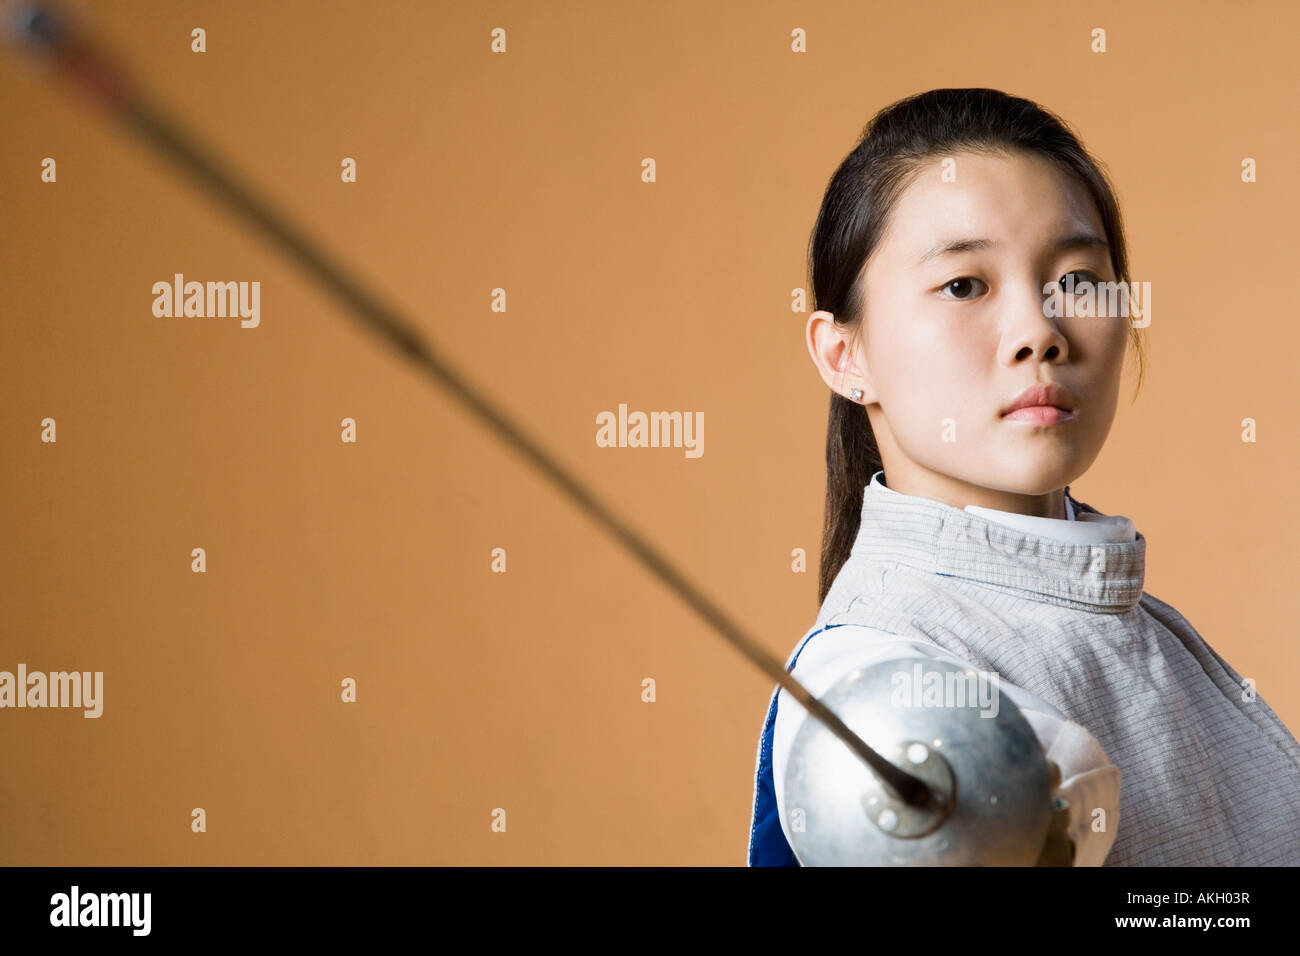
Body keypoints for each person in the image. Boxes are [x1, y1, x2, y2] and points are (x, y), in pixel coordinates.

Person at [748, 88, 1300, 866]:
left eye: (1077, 279)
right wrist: (980, 797)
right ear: (846, 355)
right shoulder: (868, 671)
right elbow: (893, 754)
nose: (1039, 330)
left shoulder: (1135, 625)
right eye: (965, 285)